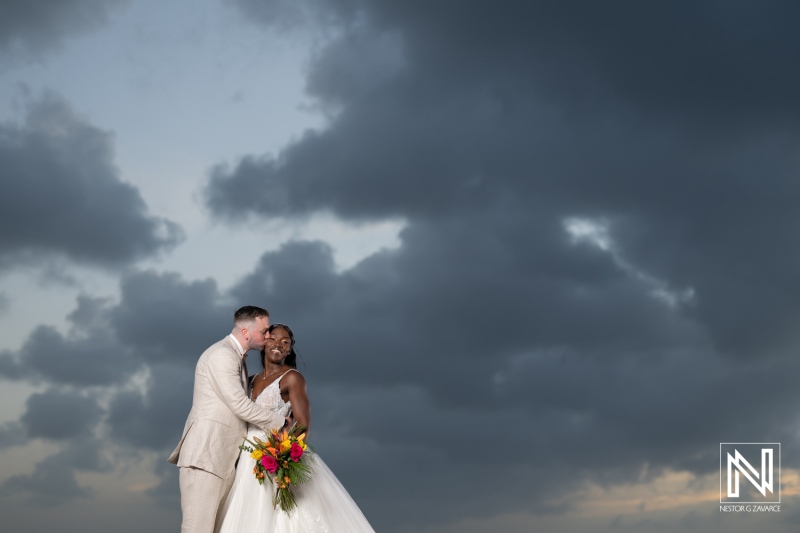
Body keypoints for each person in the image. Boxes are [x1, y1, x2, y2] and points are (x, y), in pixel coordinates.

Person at [215, 323, 375, 532]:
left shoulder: (292, 377)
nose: (278, 345)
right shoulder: (251, 379)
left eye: (285, 342)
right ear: (264, 342)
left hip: (276, 454)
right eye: (273, 339)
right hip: (247, 457)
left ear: (289, 349)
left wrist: (285, 457)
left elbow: (302, 424)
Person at [169, 306, 285, 533]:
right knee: (197, 528)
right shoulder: (221, 355)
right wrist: (280, 422)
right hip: (205, 456)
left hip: (220, 458)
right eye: (264, 331)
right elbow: (239, 405)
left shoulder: (237, 358)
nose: (268, 336)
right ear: (245, 331)